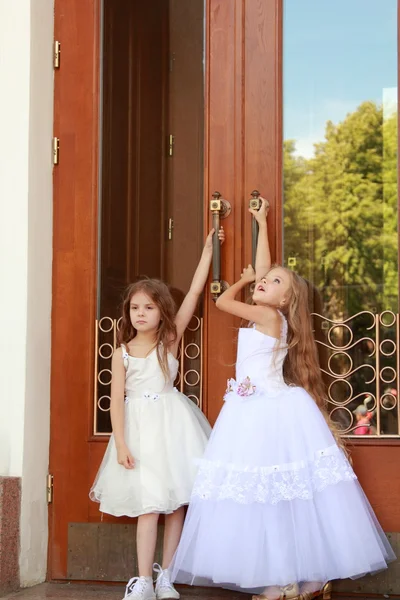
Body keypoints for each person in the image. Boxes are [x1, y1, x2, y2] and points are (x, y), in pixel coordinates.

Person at [170, 200, 395, 600]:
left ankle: (285, 582)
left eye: (274, 283)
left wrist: (238, 282)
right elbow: (265, 270)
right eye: (264, 280)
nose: (263, 283)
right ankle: (300, 581)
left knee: (270, 496)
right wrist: (260, 225)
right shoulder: (272, 314)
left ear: (286, 299)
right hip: (258, 409)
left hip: (264, 413)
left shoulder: (270, 317)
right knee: (273, 497)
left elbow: (222, 303)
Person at [90, 228, 224, 600]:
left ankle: (167, 575)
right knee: (149, 505)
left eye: (149, 307)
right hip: (139, 432)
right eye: (135, 308)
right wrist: (120, 443)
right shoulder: (122, 352)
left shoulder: (170, 339)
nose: (141, 314)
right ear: (127, 312)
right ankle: (143, 581)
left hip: (173, 425)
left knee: (176, 503)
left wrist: (207, 253)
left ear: (161, 310)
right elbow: (116, 401)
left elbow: (195, 294)